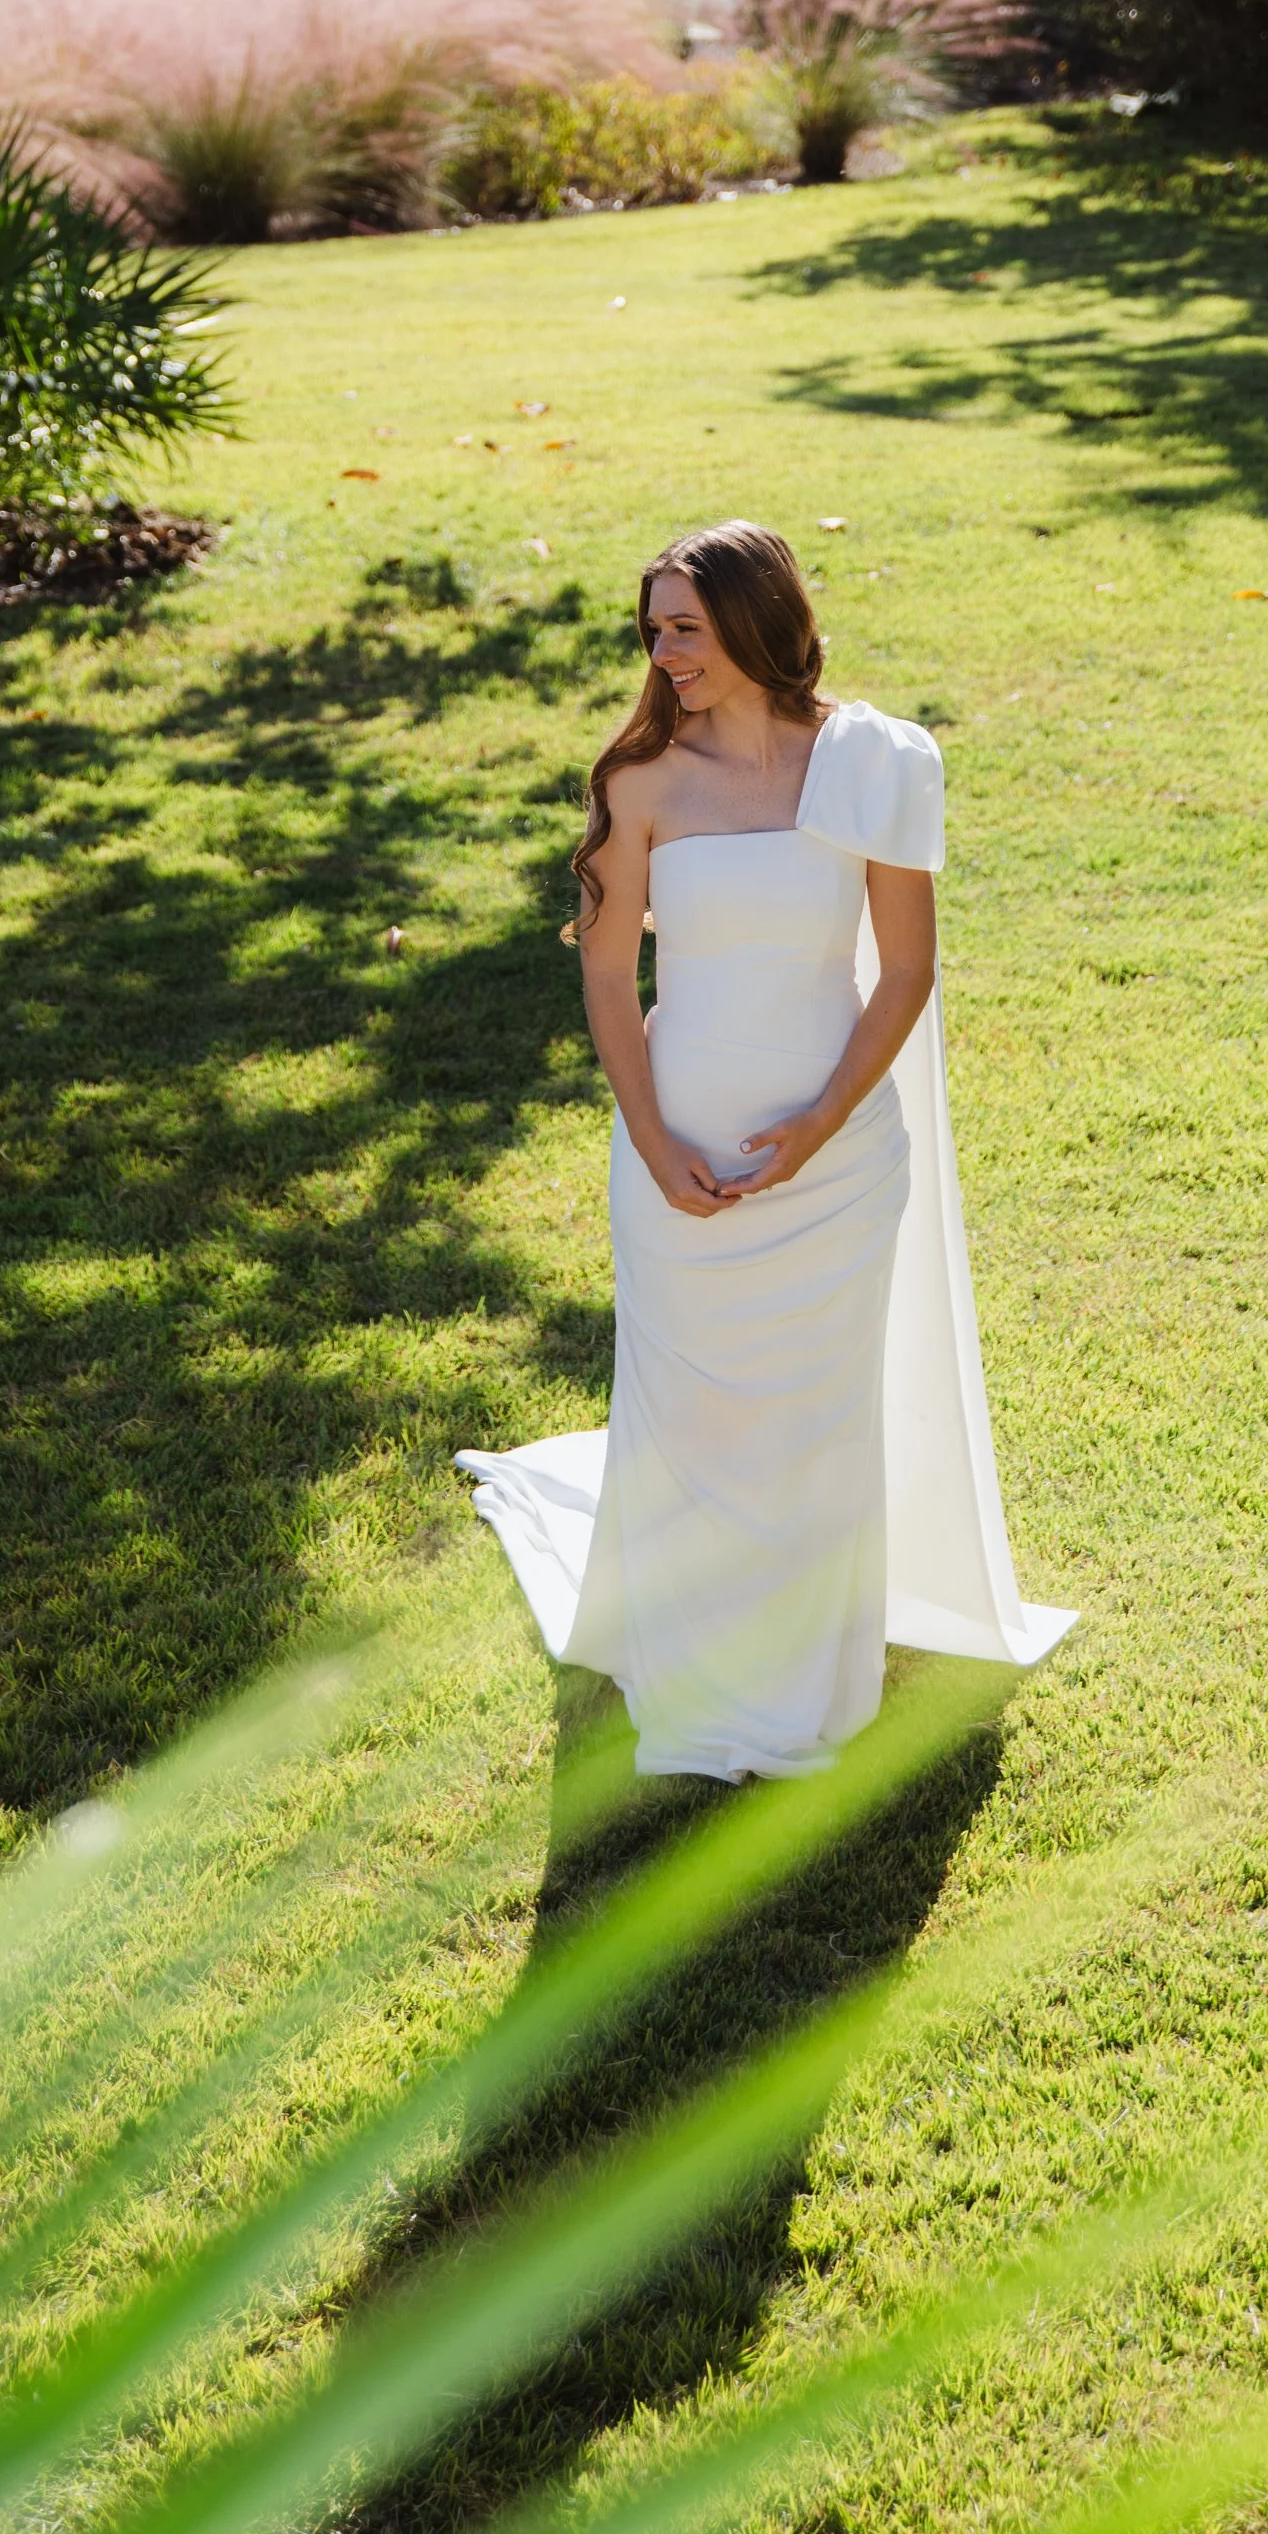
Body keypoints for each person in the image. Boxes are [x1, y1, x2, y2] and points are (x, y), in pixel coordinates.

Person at [457, 521, 1072, 1778]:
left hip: (837, 1159)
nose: (662, 650)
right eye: (654, 629)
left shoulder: (872, 761)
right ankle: (692, 1659)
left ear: (752, 618)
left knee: (813, 1423)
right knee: (691, 1412)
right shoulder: (637, 780)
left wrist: (818, 1124)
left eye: (684, 625)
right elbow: (610, 983)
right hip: (674, 1146)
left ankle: (805, 1677)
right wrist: (650, 1135)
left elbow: (906, 970)